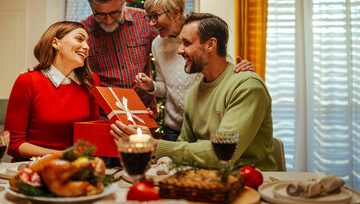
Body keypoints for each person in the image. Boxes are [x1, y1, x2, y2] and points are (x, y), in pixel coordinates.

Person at [111, 12, 277, 171]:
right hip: (206, 182)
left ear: (211, 45)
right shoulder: (192, 94)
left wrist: (155, 146)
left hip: (254, 184)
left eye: (187, 43)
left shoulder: (246, 86)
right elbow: (181, 148)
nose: (180, 50)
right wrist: (147, 139)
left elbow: (222, 153)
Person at [135, 0, 255, 141]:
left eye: (155, 16)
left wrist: (243, 71)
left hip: (204, 126)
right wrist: (152, 87)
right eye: (149, 17)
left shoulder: (200, 33)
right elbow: (165, 88)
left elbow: (223, 70)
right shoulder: (157, 44)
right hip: (175, 128)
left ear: (176, 13)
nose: (151, 23)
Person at [4, 21, 100, 162]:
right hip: (31, 171)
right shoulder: (28, 81)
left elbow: (93, 137)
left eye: (87, 42)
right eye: (80, 39)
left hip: (75, 169)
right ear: (56, 43)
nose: (86, 47)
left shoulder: (90, 82)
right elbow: (13, 144)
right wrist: (60, 155)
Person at [82, 0, 158, 116]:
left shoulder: (144, 21)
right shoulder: (83, 31)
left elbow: (170, 48)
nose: (109, 21)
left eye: (114, 13)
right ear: (91, 7)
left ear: (123, 2)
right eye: (100, 15)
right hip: (105, 115)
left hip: (144, 112)